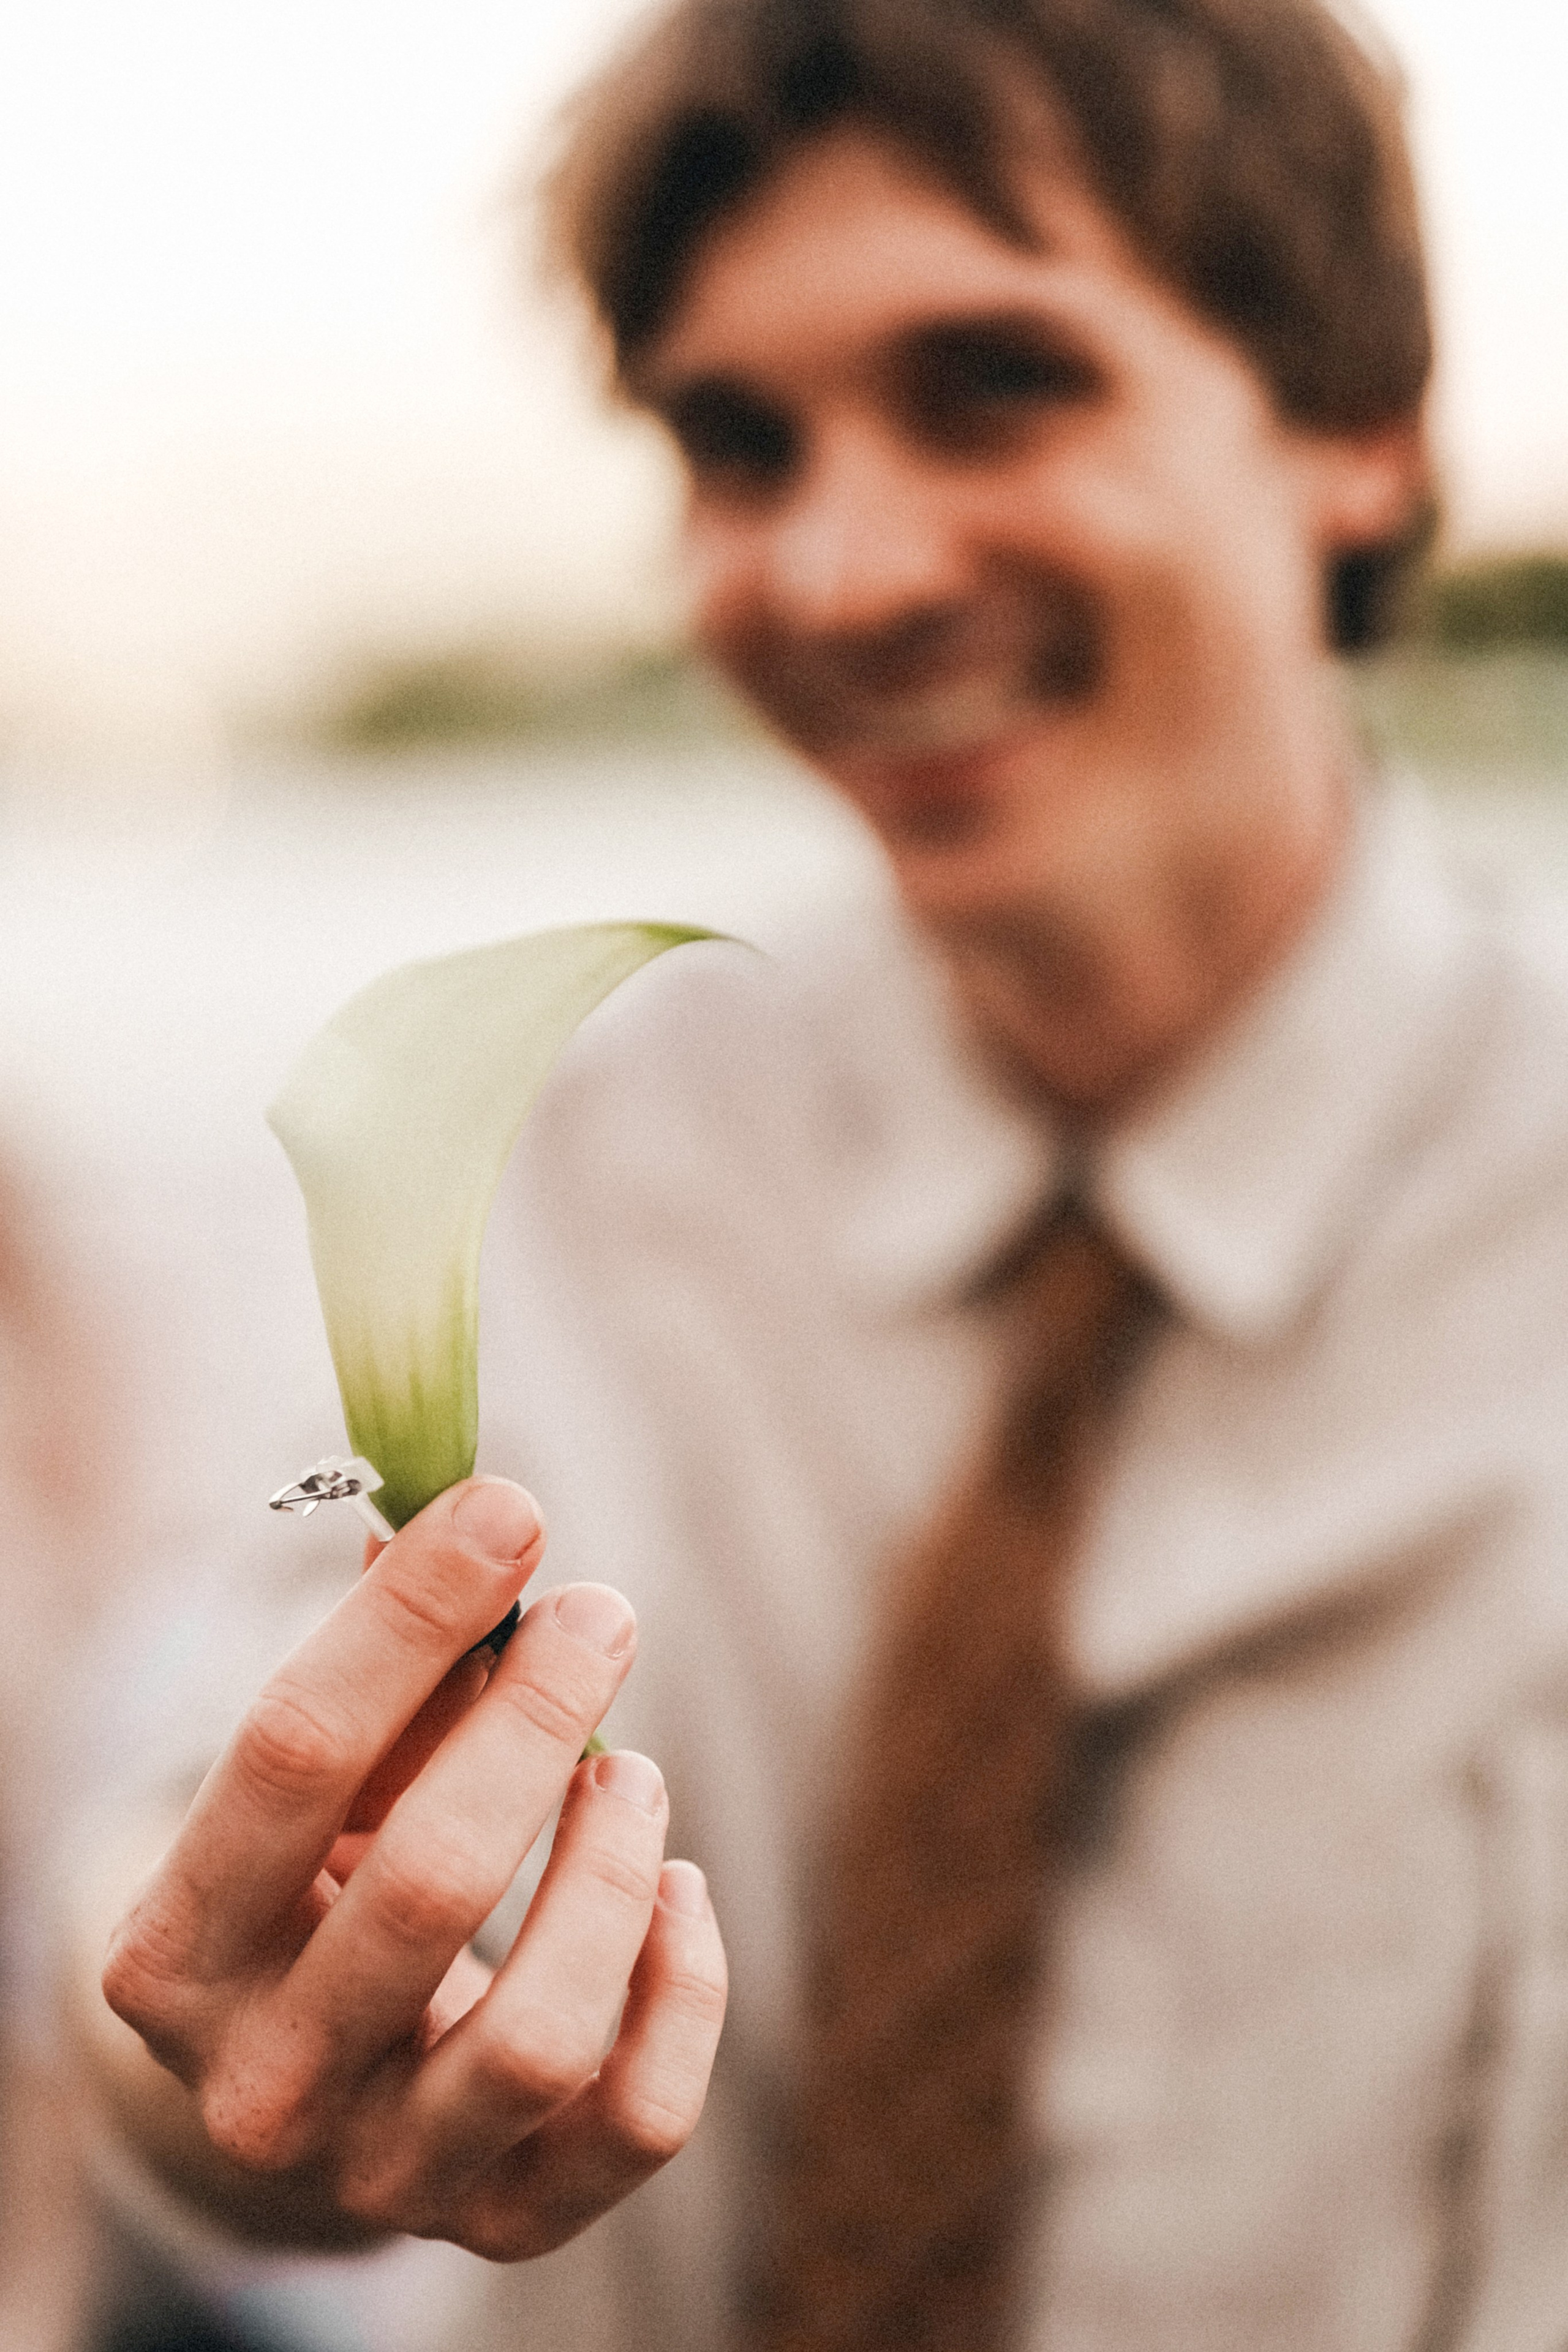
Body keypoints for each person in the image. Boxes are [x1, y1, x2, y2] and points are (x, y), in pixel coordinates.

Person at [89, 0, 1568, 2344]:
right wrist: (255, 2070)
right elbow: (194, 1899)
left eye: (997, 385)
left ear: (1362, 436)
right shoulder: (567, 1154)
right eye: (735, 441)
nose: (843, 571)